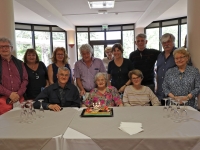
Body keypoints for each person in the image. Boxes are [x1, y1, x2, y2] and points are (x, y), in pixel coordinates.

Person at [0, 37, 28, 115]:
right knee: (4, 125)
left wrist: (18, 94)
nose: (4, 49)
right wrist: (10, 94)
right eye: (1, 47)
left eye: (6, 46)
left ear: (11, 48)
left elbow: (25, 80)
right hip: (2, 101)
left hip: (20, 99)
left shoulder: (20, 63)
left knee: (21, 122)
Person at [156, 33, 177, 105]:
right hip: (160, 93)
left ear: (173, 42)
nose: (166, 44)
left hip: (174, 93)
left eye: (168, 41)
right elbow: (158, 72)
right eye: (164, 42)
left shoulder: (178, 54)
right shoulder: (160, 56)